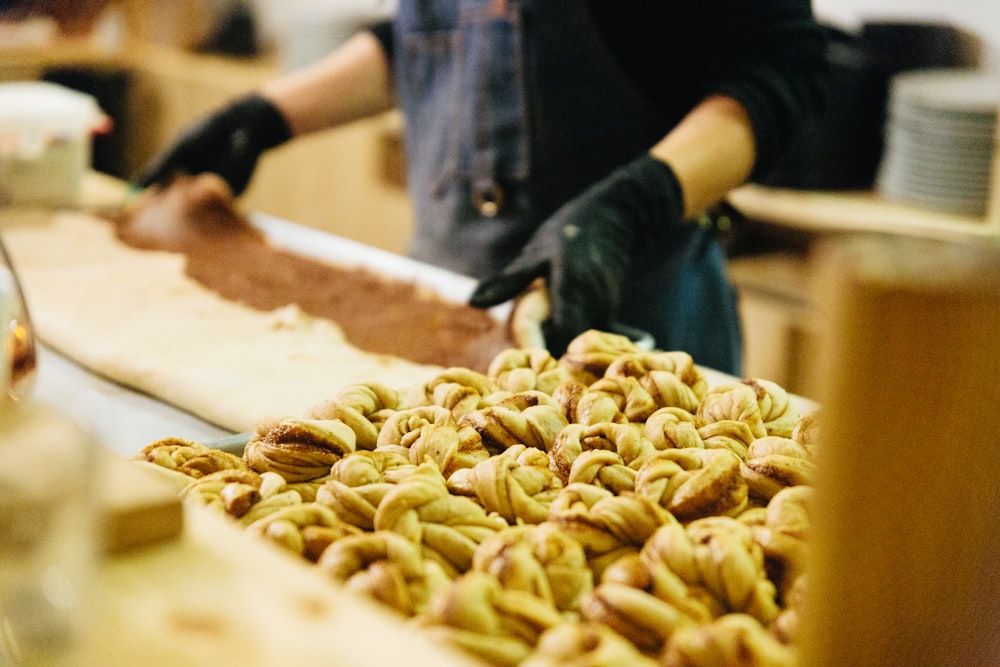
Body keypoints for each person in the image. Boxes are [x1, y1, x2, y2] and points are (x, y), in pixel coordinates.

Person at [135, 1, 828, 376]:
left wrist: (632, 203)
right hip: (443, 325)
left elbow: (781, 70)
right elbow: (421, 35)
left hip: (637, 324)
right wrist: (267, 115)